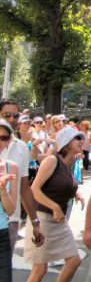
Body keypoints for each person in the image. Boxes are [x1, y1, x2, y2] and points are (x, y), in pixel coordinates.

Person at [24, 126, 85, 282]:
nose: (81, 141)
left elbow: (63, 185)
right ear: (65, 143)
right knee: (40, 269)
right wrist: (55, 207)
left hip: (58, 221)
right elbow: (34, 190)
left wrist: (77, 194)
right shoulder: (52, 160)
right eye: (77, 138)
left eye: (81, 138)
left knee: (74, 261)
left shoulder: (68, 163)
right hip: (42, 218)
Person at [0, 99, 44, 253]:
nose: (12, 119)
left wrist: (35, 222)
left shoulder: (22, 147)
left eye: (15, 115)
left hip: (11, 221)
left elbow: (24, 188)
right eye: (7, 115)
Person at [0, 120, 19, 282]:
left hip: (2, 236)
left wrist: (2, 190)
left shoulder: (11, 167)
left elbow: (11, 210)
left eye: (4, 137)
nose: (0, 142)